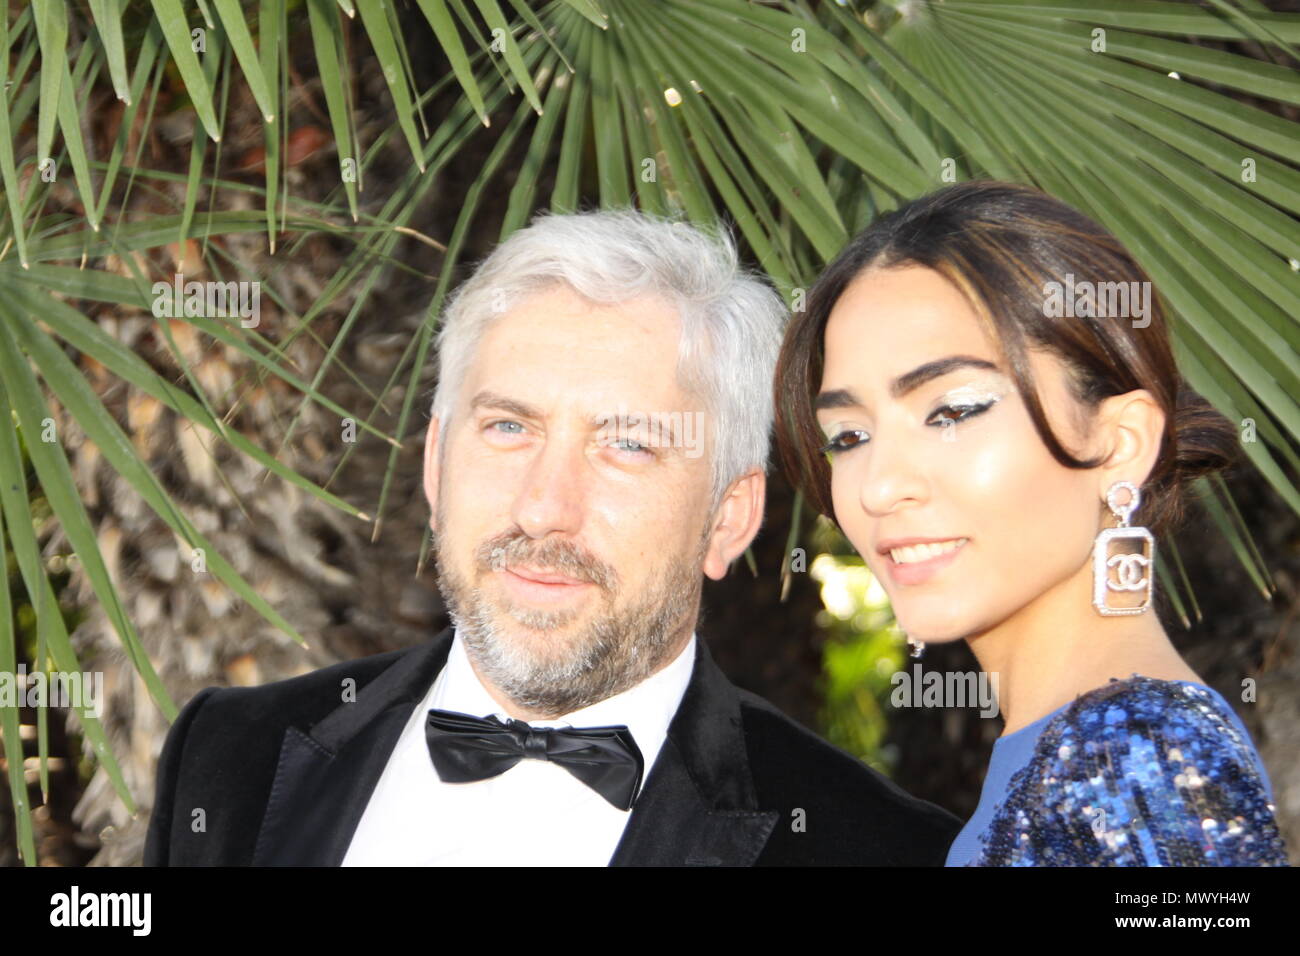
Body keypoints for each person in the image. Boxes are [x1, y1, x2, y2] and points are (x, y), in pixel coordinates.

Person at [144, 209, 961, 866]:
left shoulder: (882, 849)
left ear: (729, 518)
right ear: (435, 463)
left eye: (628, 445)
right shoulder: (228, 754)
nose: (543, 508)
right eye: (507, 427)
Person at [773, 181, 1290, 866]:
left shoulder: (1137, 759)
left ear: (1119, 444)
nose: (879, 486)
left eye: (951, 411)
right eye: (847, 436)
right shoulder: (1085, 751)